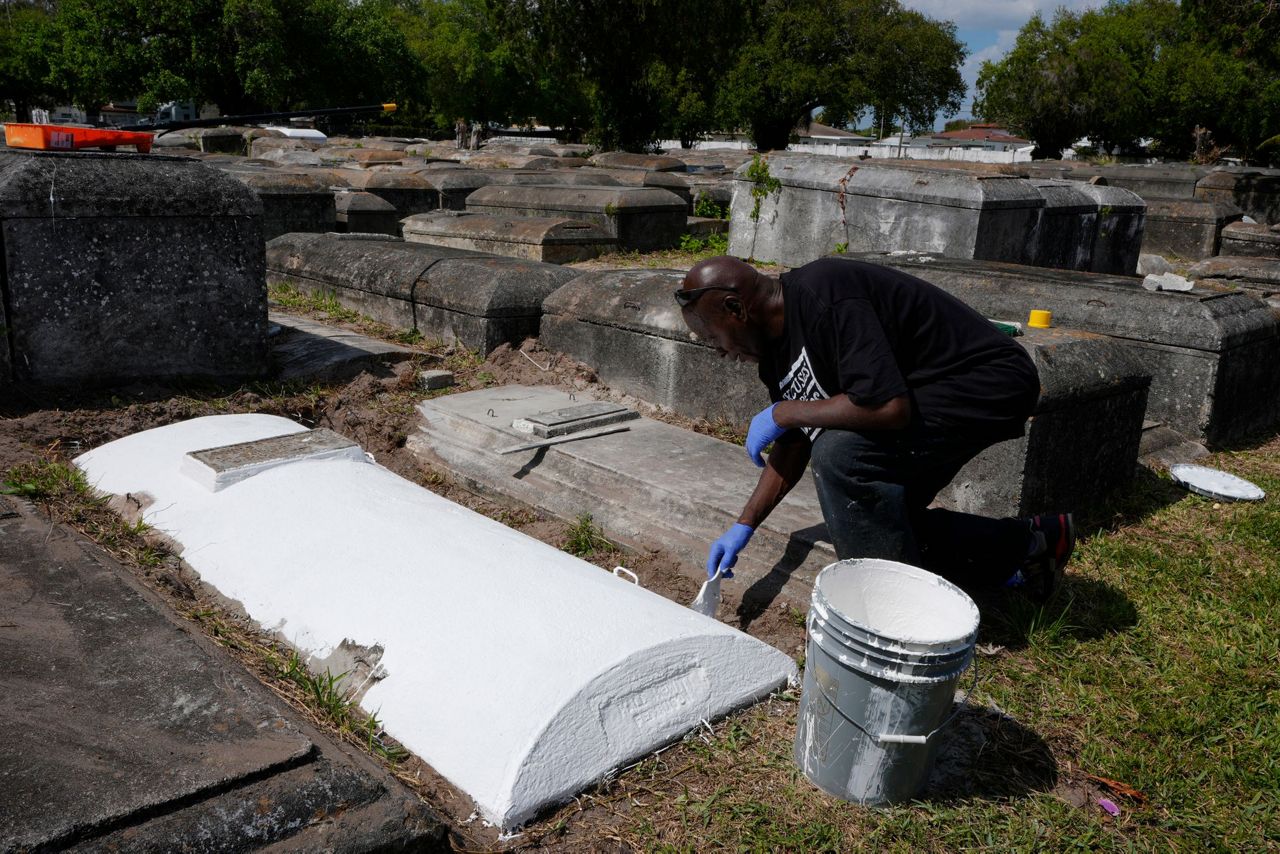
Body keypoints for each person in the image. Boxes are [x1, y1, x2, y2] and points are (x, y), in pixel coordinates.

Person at [675, 255, 1075, 600]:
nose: (720, 353)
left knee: (841, 457)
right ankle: (1032, 542)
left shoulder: (826, 292)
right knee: (873, 516)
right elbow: (795, 441)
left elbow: (887, 408)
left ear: (735, 308)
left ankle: (889, 613)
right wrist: (744, 524)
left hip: (986, 381)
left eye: (713, 337)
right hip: (928, 394)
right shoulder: (774, 356)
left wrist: (784, 413)